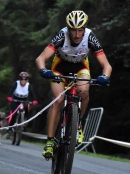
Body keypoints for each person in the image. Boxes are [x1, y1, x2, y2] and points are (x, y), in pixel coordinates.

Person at [35, 10, 112, 159]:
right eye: (73, 31)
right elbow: (41, 58)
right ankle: (50, 142)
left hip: (80, 66)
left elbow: (106, 65)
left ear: (85, 29)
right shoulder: (61, 35)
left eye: (80, 30)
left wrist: (105, 77)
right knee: (57, 100)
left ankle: (78, 123)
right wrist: (43, 70)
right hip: (60, 67)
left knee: (84, 91)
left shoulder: (90, 37)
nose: (77, 35)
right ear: (68, 29)